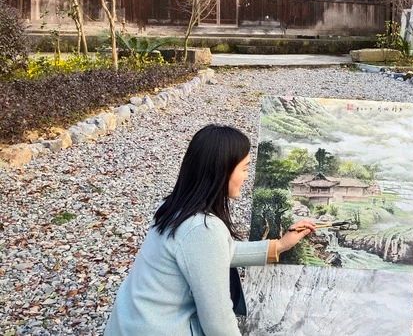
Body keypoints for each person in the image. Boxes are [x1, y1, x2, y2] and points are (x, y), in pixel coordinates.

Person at [104, 124, 315, 335]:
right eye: (244, 168)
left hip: (131, 322)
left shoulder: (174, 206)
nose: (246, 176)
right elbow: (218, 321)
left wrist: (280, 245)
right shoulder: (203, 228)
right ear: (221, 171)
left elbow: (214, 254)